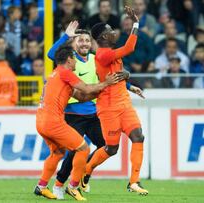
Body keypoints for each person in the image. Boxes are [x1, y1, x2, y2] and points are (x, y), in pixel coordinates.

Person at [46, 20, 143, 199]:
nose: (84, 43)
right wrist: (66, 36)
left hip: (93, 111)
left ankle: (83, 175)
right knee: (76, 150)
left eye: (87, 40)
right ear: (74, 44)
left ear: (92, 42)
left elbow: (110, 78)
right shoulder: (69, 60)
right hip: (74, 113)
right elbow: (51, 54)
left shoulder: (95, 58)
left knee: (107, 147)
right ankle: (60, 184)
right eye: (80, 40)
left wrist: (129, 86)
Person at [34, 44, 121, 201]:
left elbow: (81, 97)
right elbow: (86, 88)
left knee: (58, 153)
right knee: (83, 149)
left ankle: (41, 186)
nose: (76, 62)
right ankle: (73, 187)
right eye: (74, 59)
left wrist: (101, 91)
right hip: (53, 122)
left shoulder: (55, 74)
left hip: (41, 121)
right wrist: (106, 83)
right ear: (69, 60)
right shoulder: (65, 73)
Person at [83, 6, 148, 195]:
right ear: (103, 36)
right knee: (111, 149)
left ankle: (133, 182)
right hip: (108, 108)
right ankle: (86, 171)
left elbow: (116, 76)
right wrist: (135, 23)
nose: (114, 32)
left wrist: (128, 82)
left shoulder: (111, 52)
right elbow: (130, 47)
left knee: (139, 137)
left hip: (124, 104)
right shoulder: (103, 54)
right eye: (110, 30)